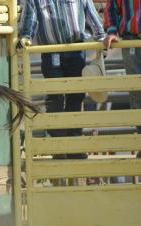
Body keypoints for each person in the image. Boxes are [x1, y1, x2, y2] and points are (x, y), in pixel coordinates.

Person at [18, 0, 105, 159]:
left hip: (76, 50)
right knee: (55, 96)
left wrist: (101, 37)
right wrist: (26, 35)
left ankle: (73, 146)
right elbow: (30, 18)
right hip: (51, 52)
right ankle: (58, 145)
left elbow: (91, 15)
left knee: (76, 96)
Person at [103, 0, 141, 158]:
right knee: (137, 95)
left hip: (132, 42)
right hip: (131, 40)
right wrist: (112, 31)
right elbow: (111, 8)